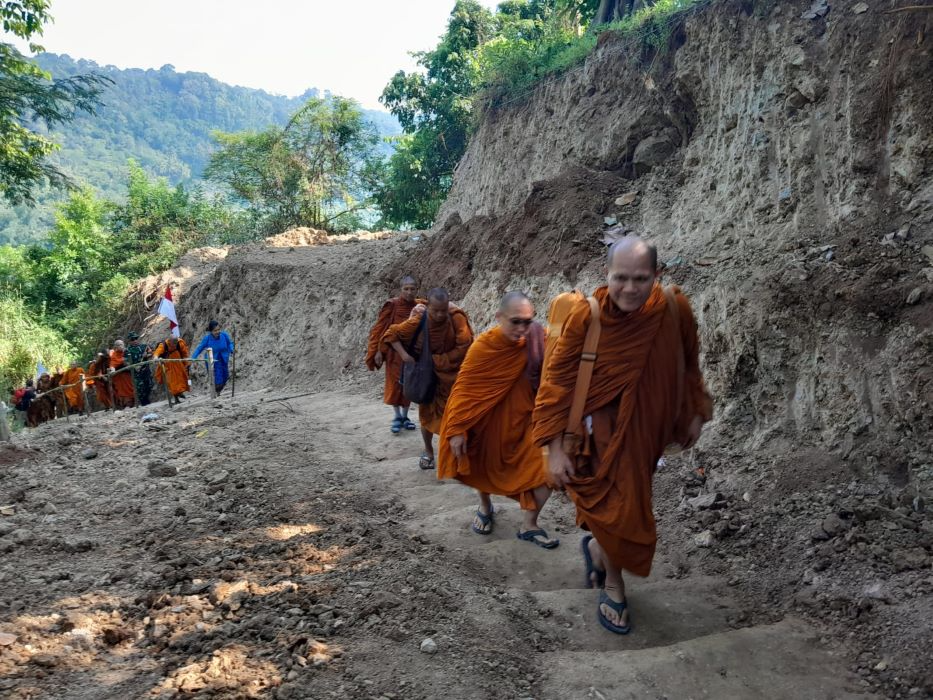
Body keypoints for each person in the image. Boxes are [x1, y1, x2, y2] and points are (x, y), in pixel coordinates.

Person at [533, 236, 712, 635]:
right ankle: (613, 583)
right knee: (619, 506)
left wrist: (694, 412)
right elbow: (556, 383)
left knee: (627, 500)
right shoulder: (588, 317)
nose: (629, 289)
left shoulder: (672, 307)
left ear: (657, 275)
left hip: (649, 427)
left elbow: (689, 363)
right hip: (601, 432)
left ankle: (598, 549)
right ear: (607, 274)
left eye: (641, 279)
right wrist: (555, 448)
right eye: (621, 278)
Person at [438, 291, 558, 547]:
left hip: (526, 421)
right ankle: (484, 506)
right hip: (489, 421)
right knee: (482, 461)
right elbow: (464, 387)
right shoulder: (484, 346)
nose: (523, 328)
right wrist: (457, 428)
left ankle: (529, 524)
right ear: (499, 317)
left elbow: (559, 365)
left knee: (545, 469)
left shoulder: (538, 339)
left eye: (528, 321)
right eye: (516, 321)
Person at [382, 288, 473, 470]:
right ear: (428, 307)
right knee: (427, 416)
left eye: (443, 310)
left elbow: (465, 345)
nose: (440, 314)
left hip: (452, 377)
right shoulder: (420, 319)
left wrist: (439, 360)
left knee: (456, 416)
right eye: (435, 310)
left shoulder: (456, 317)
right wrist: (405, 356)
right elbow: (391, 335)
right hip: (428, 377)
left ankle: (455, 456)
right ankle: (428, 451)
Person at [365, 275, 424, 434]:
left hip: (412, 353)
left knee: (409, 384)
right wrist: (378, 349)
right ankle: (397, 416)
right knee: (394, 383)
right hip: (393, 351)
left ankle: (405, 417)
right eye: (406, 289)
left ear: (416, 290)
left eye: (412, 289)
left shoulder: (419, 306)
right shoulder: (392, 305)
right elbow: (380, 328)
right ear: (401, 289)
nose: (409, 292)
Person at [192, 321, 234, 395]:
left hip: (223, 359)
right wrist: (193, 358)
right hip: (213, 361)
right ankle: (216, 392)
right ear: (211, 331)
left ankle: (217, 391)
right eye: (215, 330)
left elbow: (229, 343)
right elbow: (199, 348)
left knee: (225, 377)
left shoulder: (224, 335)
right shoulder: (207, 339)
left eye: (218, 329)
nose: (217, 332)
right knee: (218, 379)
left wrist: (231, 349)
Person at [153, 335, 191, 400]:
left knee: (182, 379)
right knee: (172, 382)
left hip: (179, 364)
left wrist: (186, 362)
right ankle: (176, 397)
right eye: (173, 343)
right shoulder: (164, 345)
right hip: (168, 366)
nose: (175, 345)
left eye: (176, 343)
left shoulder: (180, 343)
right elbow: (157, 352)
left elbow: (185, 353)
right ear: (169, 341)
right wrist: (156, 357)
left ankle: (180, 392)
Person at [125, 332, 154, 406]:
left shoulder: (143, 346)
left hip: (146, 369)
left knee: (149, 385)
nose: (135, 340)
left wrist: (146, 355)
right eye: (132, 339)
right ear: (129, 340)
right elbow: (126, 362)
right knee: (140, 388)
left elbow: (151, 352)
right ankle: (144, 403)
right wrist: (134, 366)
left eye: (136, 338)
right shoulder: (127, 350)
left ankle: (147, 401)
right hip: (137, 373)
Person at [109, 340, 136, 409]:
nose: (121, 346)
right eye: (119, 345)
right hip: (120, 376)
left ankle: (134, 403)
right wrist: (112, 370)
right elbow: (112, 364)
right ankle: (127, 405)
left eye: (122, 344)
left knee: (131, 388)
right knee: (123, 390)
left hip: (128, 374)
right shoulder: (114, 355)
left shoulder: (127, 352)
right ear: (116, 347)